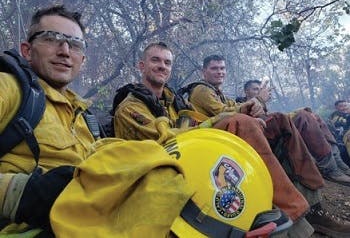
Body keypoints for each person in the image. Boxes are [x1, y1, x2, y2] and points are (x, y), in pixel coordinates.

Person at [0, 5, 192, 236]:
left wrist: (216, 127)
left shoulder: (84, 117)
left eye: (75, 44)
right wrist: (22, 194)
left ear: (82, 58)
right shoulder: (9, 88)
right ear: (27, 50)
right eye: (51, 39)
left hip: (93, 222)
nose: (64, 50)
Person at [113, 42, 327, 237]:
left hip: (185, 156)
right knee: (240, 123)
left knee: (270, 120)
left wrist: (242, 109)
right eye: (155, 60)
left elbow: (194, 123)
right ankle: (294, 216)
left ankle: (311, 200)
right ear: (141, 66)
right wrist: (225, 118)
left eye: (167, 62)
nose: (162, 66)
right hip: (155, 169)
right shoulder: (131, 107)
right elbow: (166, 139)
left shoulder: (172, 101)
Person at [179, 54, 350, 237]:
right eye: (214, 68)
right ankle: (295, 214)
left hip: (232, 137)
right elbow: (226, 115)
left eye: (222, 68)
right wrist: (256, 101)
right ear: (203, 71)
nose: (219, 72)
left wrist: (259, 107)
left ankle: (315, 203)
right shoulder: (200, 90)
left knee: (281, 120)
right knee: (247, 123)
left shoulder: (221, 94)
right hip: (217, 145)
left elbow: (238, 108)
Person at [241, 79, 350, 182]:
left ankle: (338, 162)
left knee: (314, 117)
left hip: (274, 132)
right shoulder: (241, 105)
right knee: (303, 116)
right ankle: (329, 168)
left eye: (261, 90)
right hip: (261, 138)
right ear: (246, 92)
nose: (260, 92)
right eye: (256, 89)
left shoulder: (261, 107)